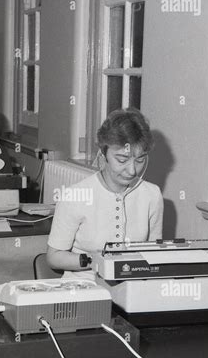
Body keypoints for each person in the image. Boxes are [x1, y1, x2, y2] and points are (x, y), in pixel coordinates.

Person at [46, 108, 163, 277]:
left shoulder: (153, 195)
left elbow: (154, 253)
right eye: (122, 160)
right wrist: (97, 261)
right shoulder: (74, 196)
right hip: (84, 289)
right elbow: (54, 257)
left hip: (131, 289)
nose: (131, 170)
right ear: (103, 155)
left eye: (140, 160)